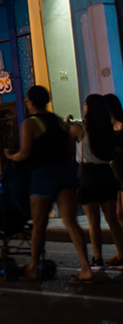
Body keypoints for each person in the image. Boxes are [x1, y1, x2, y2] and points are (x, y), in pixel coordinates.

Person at [5, 85, 95, 282]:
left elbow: (26, 152)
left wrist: (11, 156)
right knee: (71, 221)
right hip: (65, 173)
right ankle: (86, 268)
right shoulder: (61, 123)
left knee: (39, 223)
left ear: (30, 101)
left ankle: (33, 267)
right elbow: (70, 150)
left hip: (44, 175)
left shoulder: (31, 123)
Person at [70, 94, 123, 270]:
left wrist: (68, 122)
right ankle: (121, 254)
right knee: (112, 220)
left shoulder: (80, 128)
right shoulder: (107, 128)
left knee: (93, 221)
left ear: (88, 107)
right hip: (106, 174)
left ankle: (98, 258)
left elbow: (66, 138)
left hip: (88, 174)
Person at [103, 94, 123, 225]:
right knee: (118, 213)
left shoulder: (121, 125)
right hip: (115, 171)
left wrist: (113, 147)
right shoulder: (107, 127)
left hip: (121, 169)